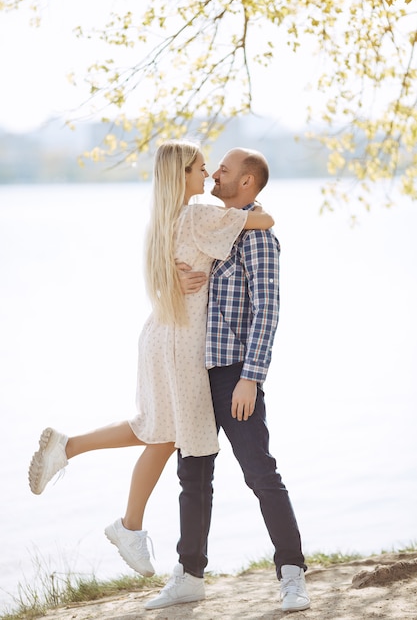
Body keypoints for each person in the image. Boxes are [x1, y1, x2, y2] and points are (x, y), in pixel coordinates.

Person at [28, 140, 274, 578]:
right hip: (180, 340)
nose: (209, 176)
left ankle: (80, 461)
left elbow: (168, 276)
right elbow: (265, 219)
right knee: (162, 433)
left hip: (163, 333)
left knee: (157, 430)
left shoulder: (164, 221)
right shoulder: (200, 215)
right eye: (202, 168)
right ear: (183, 175)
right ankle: (123, 519)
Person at [144, 148, 310, 613]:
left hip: (234, 374)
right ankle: (190, 575)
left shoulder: (257, 236)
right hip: (194, 369)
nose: (216, 172)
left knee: (260, 472)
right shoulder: (210, 222)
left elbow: (267, 311)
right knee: (193, 475)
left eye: (226, 169)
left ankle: (293, 574)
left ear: (247, 183)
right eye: (213, 167)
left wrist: (250, 379)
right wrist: (172, 277)